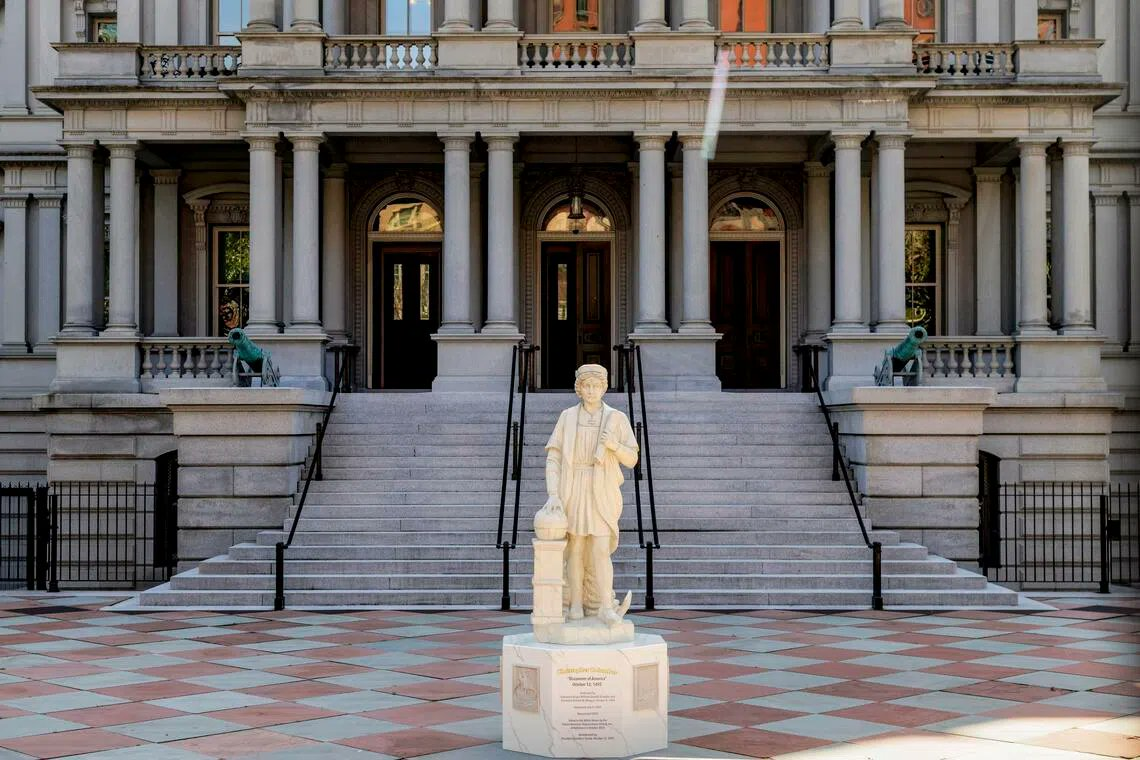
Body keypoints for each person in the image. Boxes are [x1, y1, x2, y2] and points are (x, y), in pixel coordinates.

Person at [543, 364, 639, 625]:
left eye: (596, 386)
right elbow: (553, 457)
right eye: (586, 385)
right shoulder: (567, 417)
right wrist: (553, 493)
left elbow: (632, 459)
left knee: (600, 549)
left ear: (604, 388)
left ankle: (605, 606)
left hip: (602, 490)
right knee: (575, 547)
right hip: (574, 486)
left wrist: (614, 445)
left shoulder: (616, 418)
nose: (591, 390)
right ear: (579, 388)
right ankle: (575, 605)